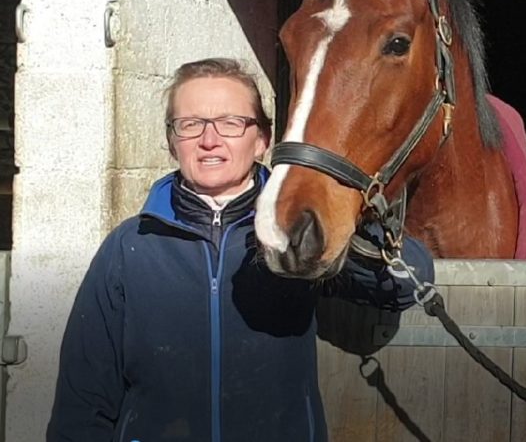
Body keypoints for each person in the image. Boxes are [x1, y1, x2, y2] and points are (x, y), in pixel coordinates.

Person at [47, 58, 435, 441]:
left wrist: (334, 226)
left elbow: (402, 284)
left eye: (231, 123)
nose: (209, 139)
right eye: (190, 124)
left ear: (262, 140)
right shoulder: (130, 247)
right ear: (172, 142)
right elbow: (83, 399)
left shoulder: (293, 234)